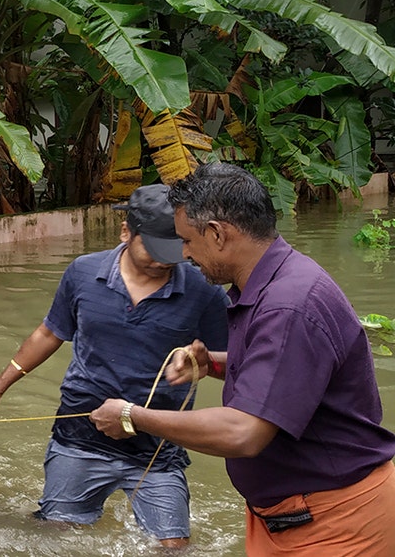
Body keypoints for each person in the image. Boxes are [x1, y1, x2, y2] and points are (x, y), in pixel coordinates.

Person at [91, 163, 395, 554]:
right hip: (288, 516)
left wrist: (132, 417)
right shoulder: (277, 281)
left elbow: (243, 432)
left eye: (187, 240)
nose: (184, 254)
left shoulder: (288, 305)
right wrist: (214, 364)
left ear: (218, 234)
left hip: (335, 523)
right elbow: (291, 370)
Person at [0, 184, 230, 548]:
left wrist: (203, 362)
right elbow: (48, 333)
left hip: (157, 448)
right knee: (55, 539)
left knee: (173, 547)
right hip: (81, 438)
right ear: (126, 232)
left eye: (176, 251)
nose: (164, 261)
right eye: (153, 250)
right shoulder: (83, 273)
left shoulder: (204, 289)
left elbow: (234, 361)